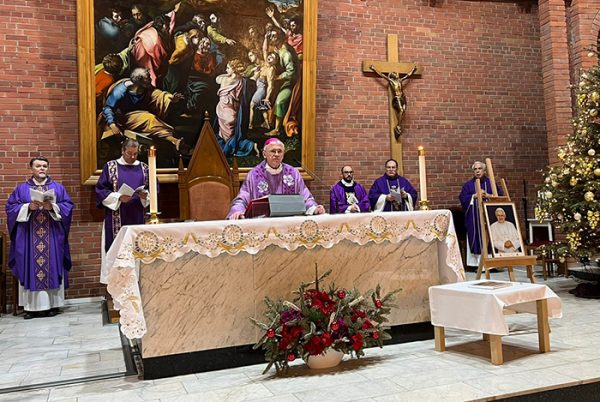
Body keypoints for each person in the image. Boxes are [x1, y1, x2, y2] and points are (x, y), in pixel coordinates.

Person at [6, 157, 75, 319]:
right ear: (31, 168)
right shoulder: (22, 189)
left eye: (44, 166)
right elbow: (10, 208)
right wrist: (28, 207)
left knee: (53, 266)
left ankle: (53, 306)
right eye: (38, 166)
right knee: (29, 266)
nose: (42, 168)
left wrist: (53, 207)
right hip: (29, 237)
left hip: (52, 235)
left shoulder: (57, 188)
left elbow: (68, 206)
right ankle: (31, 308)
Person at [95, 139, 153, 282]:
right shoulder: (111, 167)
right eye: (129, 153)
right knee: (116, 250)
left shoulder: (145, 168)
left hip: (137, 216)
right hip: (116, 217)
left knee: (137, 250)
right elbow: (101, 190)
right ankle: (115, 283)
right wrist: (118, 197)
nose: (132, 157)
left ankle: (135, 282)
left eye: (135, 154)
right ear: (122, 151)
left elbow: (153, 188)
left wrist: (145, 195)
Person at [227, 138, 325, 219]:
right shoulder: (254, 175)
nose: (277, 154)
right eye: (273, 151)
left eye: (280, 151)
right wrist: (238, 211)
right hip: (262, 224)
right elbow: (242, 199)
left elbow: (305, 197)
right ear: (264, 154)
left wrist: (314, 208)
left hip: (289, 223)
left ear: (283, 154)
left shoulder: (293, 173)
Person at [458, 161, 502, 268]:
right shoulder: (468, 185)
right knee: (476, 236)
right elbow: (462, 198)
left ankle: (492, 264)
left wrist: (488, 195)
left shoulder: (491, 183)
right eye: (475, 169)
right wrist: (474, 196)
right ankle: (477, 264)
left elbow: (500, 197)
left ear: (484, 170)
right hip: (474, 217)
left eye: (479, 169)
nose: (477, 171)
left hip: (489, 217)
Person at [370, 64, 418, 140]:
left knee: (403, 111)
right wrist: (374, 69)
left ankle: (398, 126)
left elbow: (407, 75)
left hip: (403, 98)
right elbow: (382, 75)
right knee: (401, 110)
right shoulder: (391, 81)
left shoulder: (400, 80)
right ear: (392, 76)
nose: (396, 75)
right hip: (397, 98)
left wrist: (413, 70)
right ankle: (398, 126)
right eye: (394, 74)